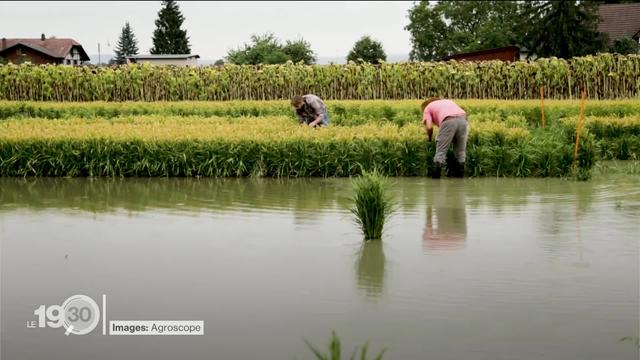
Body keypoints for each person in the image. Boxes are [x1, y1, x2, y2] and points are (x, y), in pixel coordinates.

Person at [422, 97, 469, 179]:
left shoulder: (427, 108)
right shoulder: (448, 101)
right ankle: (460, 180)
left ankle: (435, 182)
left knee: (440, 153)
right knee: (460, 152)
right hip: (463, 120)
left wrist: (429, 138)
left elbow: (429, 127)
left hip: (448, 121)